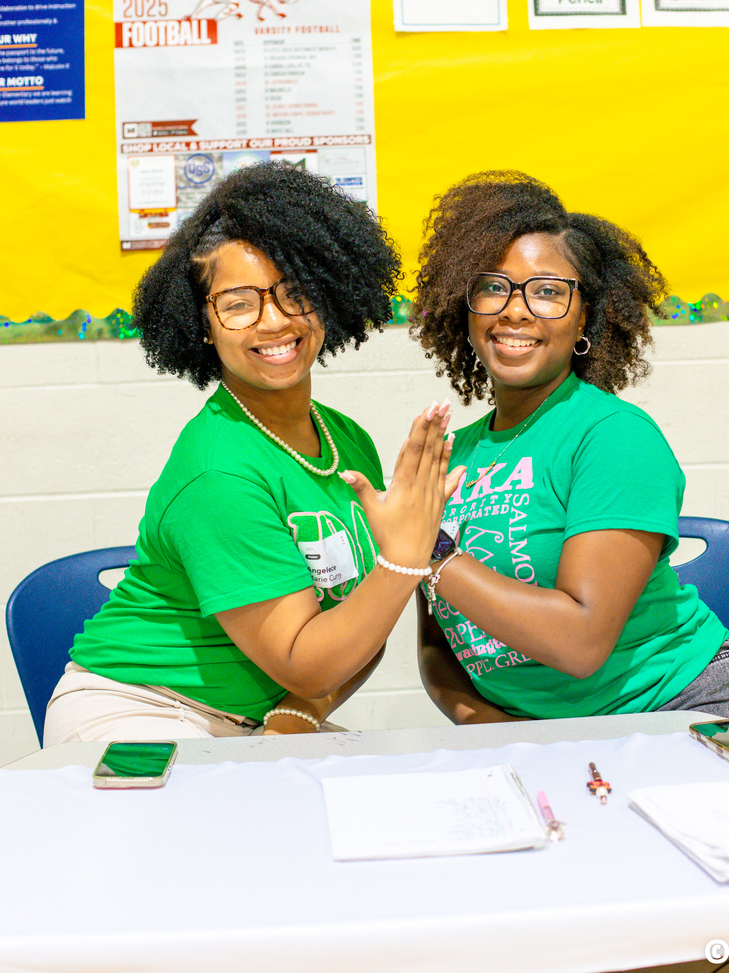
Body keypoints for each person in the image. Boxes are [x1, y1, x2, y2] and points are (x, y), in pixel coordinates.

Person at [43, 161, 461, 745]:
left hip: (267, 716)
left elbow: (354, 626)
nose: (274, 321)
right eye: (239, 303)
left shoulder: (347, 442)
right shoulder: (219, 471)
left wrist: (302, 711)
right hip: (143, 711)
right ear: (203, 324)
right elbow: (311, 653)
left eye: (296, 294)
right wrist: (403, 559)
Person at [406, 170, 729, 726]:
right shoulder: (450, 455)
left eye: (548, 291)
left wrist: (425, 550)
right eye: (493, 287)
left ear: (585, 319)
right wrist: (490, 728)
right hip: (528, 734)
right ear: (466, 309)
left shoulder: (613, 436)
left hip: (672, 712)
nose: (516, 309)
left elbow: (580, 643)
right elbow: (437, 645)